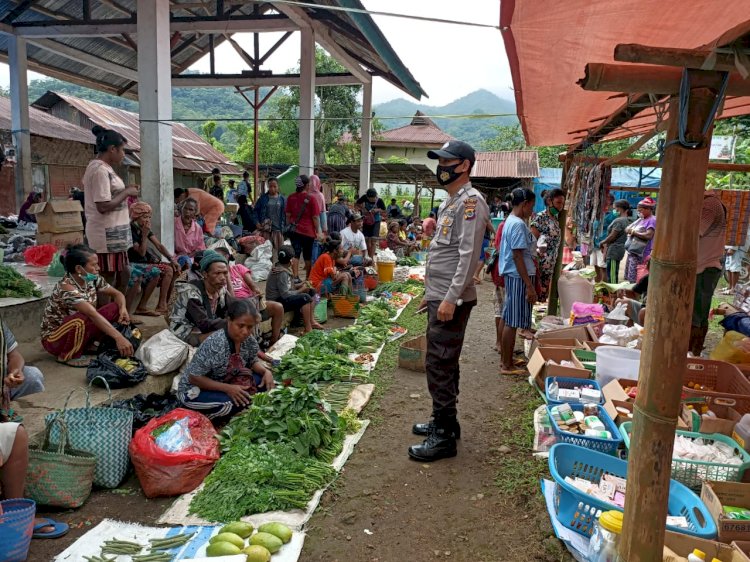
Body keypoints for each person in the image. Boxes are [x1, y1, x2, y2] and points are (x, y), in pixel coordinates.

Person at [410, 140, 488, 463]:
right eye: (440, 162)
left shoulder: (471, 203)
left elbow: (469, 257)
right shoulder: (451, 202)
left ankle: (442, 437)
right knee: (445, 361)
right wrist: (431, 296)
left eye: (447, 162)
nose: (441, 168)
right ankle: (446, 421)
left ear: (465, 166)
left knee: (439, 362)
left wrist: (450, 299)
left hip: (450, 300)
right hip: (440, 296)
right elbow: (444, 254)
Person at [176, 300, 275, 421]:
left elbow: (252, 360)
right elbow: (194, 378)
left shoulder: (249, 340)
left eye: (250, 327)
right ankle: (201, 418)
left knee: (263, 383)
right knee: (230, 404)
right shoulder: (216, 343)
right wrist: (228, 389)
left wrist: (266, 372)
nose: (245, 332)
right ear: (229, 320)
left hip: (224, 382)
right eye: (240, 326)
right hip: (195, 390)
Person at [41, 245, 134, 367]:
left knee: (114, 307)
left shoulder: (93, 279)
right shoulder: (66, 287)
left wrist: (123, 309)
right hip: (54, 339)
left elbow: (118, 294)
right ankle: (67, 356)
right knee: (80, 320)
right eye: (94, 265)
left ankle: (90, 345)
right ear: (79, 269)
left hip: (80, 330)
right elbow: (91, 313)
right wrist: (119, 337)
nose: (98, 268)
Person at [83, 125, 137, 291]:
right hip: (105, 236)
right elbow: (103, 205)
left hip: (114, 235)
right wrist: (127, 191)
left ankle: (116, 312)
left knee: (124, 273)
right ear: (112, 149)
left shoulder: (105, 169)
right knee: (107, 279)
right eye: (122, 150)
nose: (123, 155)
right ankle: (105, 314)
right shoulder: (99, 170)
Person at [499, 188, 537, 376]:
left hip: (514, 275)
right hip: (518, 276)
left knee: (508, 317)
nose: (532, 209)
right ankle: (506, 365)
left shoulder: (512, 221)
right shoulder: (518, 225)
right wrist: (529, 286)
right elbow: (518, 255)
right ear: (525, 204)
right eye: (531, 205)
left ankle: (506, 358)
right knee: (512, 322)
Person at [214, 247, 283, 345]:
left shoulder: (238, 268)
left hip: (252, 303)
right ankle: (256, 343)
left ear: (227, 257)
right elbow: (232, 300)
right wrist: (227, 277)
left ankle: (273, 342)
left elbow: (253, 286)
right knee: (243, 311)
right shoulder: (218, 277)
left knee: (278, 307)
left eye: (218, 257)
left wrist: (256, 292)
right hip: (236, 308)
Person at [170, 251, 234, 346]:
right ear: (205, 274)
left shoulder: (221, 290)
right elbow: (204, 324)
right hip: (184, 332)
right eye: (217, 273)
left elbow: (234, 308)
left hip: (205, 328)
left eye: (225, 273)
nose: (222, 278)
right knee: (222, 337)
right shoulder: (191, 292)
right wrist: (233, 322)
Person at [691, 190, 727, 356]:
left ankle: (693, 350)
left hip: (705, 267)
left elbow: (693, 234)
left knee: (697, 314)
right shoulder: (708, 203)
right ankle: (692, 349)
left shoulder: (709, 205)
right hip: (703, 266)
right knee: (696, 312)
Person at [128, 202, 179, 316]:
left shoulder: (143, 228)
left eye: (149, 217)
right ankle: (160, 306)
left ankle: (162, 304)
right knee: (166, 270)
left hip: (145, 262)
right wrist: (144, 235)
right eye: (145, 217)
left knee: (173, 268)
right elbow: (141, 253)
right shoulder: (131, 229)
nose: (148, 220)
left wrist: (172, 259)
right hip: (134, 263)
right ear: (137, 216)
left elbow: (159, 246)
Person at [266, 245, 324, 334]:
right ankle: (308, 329)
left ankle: (311, 321)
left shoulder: (282, 268)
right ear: (290, 260)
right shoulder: (281, 273)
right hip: (277, 301)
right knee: (305, 298)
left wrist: (303, 284)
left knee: (311, 291)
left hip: (283, 296)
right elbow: (285, 294)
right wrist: (301, 290)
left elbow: (290, 286)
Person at [285, 175, 323, 281]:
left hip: (294, 231)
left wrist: (289, 226)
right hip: (308, 232)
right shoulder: (311, 199)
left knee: (295, 253)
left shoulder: (291, 197)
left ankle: (296, 277)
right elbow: (315, 217)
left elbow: (288, 215)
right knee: (307, 255)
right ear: (307, 185)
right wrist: (318, 232)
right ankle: (308, 278)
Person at [530, 188, 564, 301]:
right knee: (536, 295)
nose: (561, 206)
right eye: (558, 203)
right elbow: (532, 241)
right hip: (541, 266)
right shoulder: (541, 218)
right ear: (549, 201)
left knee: (543, 296)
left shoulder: (555, 219)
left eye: (562, 203)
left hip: (550, 266)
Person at [2, 321, 44, 401]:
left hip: (3, 383)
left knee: (33, 376)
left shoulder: (0, 326)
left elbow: (14, 355)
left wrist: (15, 371)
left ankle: (30, 410)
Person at [624, 197, 657, 282]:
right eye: (638, 210)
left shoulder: (652, 220)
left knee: (636, 277)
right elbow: (628, 229)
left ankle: (635, 294)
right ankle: (630, 292)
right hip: (633, 252)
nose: (639, 212)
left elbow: (648, 235)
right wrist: (629, 230)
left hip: (641, 253)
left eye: (641, 210)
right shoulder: (641, 219)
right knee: (630, 276)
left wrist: (633, 232)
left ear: (649, 209)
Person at [599, 199, 631, 283]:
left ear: (619, 209)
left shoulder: (619, 221)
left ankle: (613, 293)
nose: (614, 210)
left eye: (614, 208)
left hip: (614, 250)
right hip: (617, 249)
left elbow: (613, 236)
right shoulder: (625, 220)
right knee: (612, 272)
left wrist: (603, 242)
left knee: (612, 275)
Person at [255, 177, 286, 259]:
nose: (272, 188)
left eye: (274, 186)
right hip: (266, 230)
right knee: (267, 252)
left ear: (278, 186)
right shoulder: (263, 198)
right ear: (268, 187)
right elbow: (255, 211)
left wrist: (285, 227)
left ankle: (279, 269)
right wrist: (257, 222)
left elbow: (286, 214)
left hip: (278, 229)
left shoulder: (282, 199)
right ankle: (268, 268)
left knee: (281, 252)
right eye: (270, 186)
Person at [590, 195, 616, 282]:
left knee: (603, 267)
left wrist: (606, 244)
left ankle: (604, 288)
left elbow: (613, 231)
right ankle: (597, 286)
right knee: (595, 265)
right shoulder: (597, 213)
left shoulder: (612, 215)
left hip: (603, 244)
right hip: (594, 243)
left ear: (610, 203)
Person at [174, 197, 206, 268]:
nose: (187, 212)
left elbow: (200, 248)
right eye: (185, 208)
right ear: (181, 209)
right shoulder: (173, 224)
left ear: (195, 212)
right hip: (174, 258)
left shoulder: (197, 228)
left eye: (191, 210)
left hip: (191, 258)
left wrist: (188, 256)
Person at [356, 188, 386, 261]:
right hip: (367, 221)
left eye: (374, 198)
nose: (372, 200)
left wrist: (377, 210)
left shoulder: (379, 200)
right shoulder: (364, 197)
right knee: (366, 239)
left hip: (376, 221)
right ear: (367, 197)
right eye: (370, 198)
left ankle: (371, 258)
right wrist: (363, 209)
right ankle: (367, 257)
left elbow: (384, 210)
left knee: (373, 240)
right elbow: (357, 203)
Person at [473, 218, 495, 284]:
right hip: (484, 237)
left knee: (478, 257)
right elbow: (487, 223)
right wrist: (495, 232)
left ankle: (475, 275)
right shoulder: (484, 209)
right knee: (484, 258)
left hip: (477, 236)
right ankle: (475, 275)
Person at [309, 175, 328, 239]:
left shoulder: (305, 194)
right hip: (317, 224)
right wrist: (324, 229)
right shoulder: (320, 195)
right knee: (316, 243)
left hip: (305, 226)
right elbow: (322, 213)